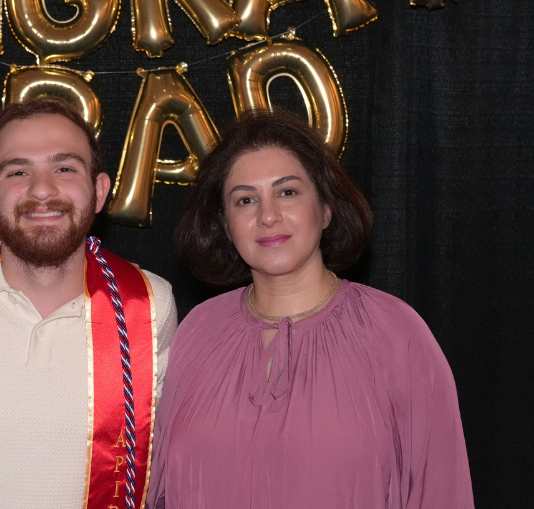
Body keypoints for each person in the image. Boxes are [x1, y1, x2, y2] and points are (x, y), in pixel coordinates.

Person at [150, 112, 473, 508]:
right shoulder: (198, 331)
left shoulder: (396, 332)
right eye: (245, 200)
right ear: (226, 225)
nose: (267, 215)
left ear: (326, 208)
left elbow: (440, 491)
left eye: (287, 192)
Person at [0, 98, 178, 509]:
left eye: (64, 168)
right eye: (17, 171)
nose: (42, 190)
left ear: (99, 191)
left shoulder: (151, 304)